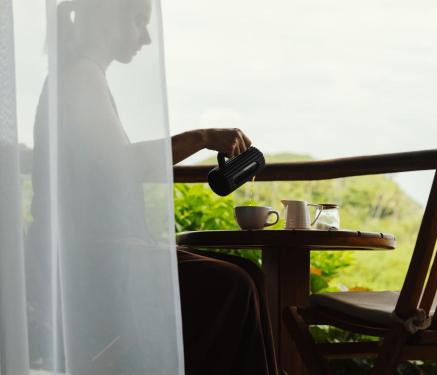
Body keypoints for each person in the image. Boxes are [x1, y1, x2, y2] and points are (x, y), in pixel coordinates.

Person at [27, 0, 278, 374]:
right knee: (234, 285)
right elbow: (119, 164)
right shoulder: (79, 77)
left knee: (249, 277)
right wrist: (203, 137)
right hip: (89, 254)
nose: (145, 37)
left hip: (99, 248)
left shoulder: (84, 76)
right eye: (137, 22)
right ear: (108, 18)